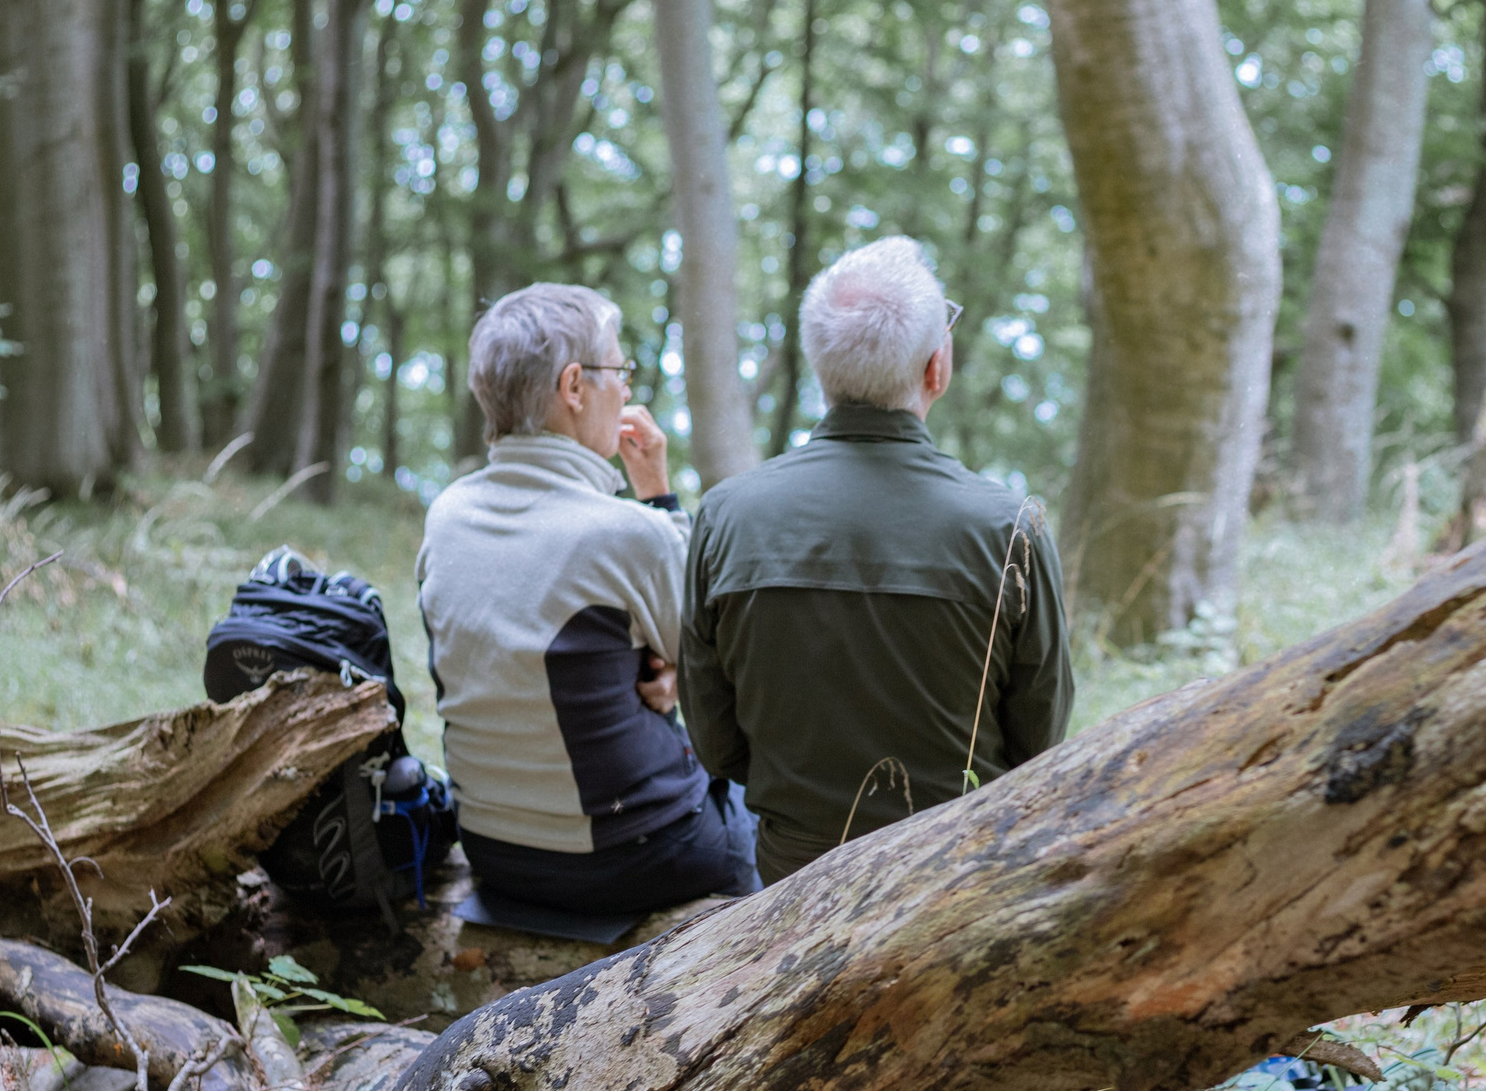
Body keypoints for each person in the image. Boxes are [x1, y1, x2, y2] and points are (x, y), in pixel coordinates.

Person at [680, 237, 1073, 883]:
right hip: (954, 889)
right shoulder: (1009, 531)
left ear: (821, 368)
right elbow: (1041, 748)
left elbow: (718, 747)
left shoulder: (725, 516)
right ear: (936, 368)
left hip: (790, 894)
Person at [418, 283, 757, 920]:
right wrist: (657, 494)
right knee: (768, 805)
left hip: (496, 854)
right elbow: (730, 673)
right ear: (574, 387)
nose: (626, 390)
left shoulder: (447, 516)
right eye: (617, 371)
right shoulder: (626, 533)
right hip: (634, 857)